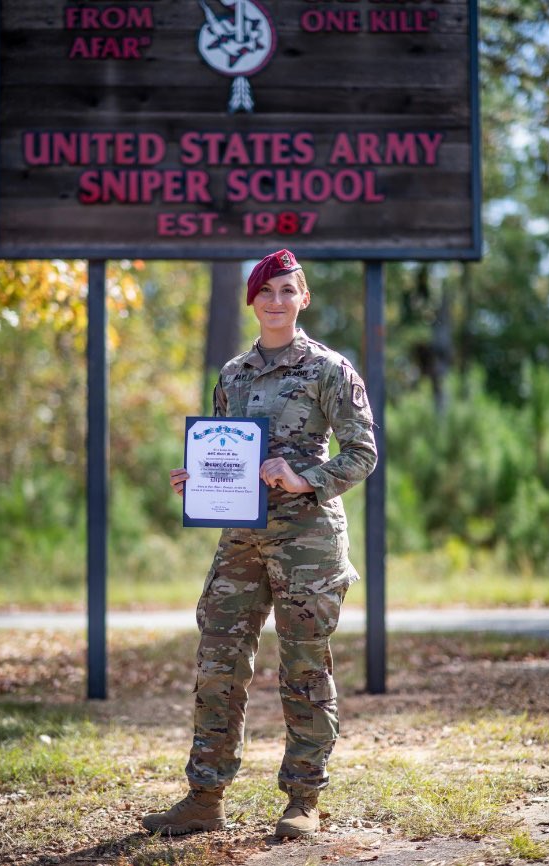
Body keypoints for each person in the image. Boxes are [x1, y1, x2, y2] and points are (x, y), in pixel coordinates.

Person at [143, 249, 377, 839]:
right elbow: (228, 448)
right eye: (265, 291)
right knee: (218, 662)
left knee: (303, 666)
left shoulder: (329, 370)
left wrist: (305, 479)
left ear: (303, 298)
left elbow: (363, 453)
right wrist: (199, 481)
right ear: (252, 301)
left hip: (307, 540)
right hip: (241, 539)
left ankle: (303, 800)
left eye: (287, 290)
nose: (276, 301)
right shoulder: (233, 373)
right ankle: (205, 796)